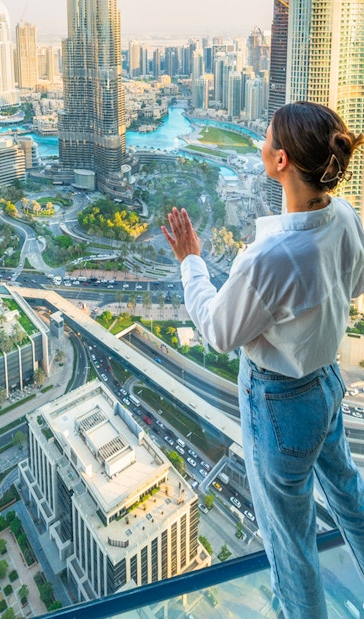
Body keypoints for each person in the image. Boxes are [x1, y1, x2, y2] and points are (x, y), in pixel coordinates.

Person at [161, 101, 364, 618]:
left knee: (292, 550)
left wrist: (191, 263)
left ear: (281, 162)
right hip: (326, 387)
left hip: (279, 407)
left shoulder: (272, 257)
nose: (260, 142)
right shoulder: (344, 217)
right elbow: (355, 285)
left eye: (266, 138)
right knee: (348, 497)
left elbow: (217, 330)